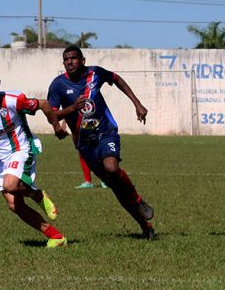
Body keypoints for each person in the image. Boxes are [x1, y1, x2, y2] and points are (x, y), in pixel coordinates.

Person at [47, 46, 156, 239]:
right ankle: (144, 225)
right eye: (66, 59)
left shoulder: (95, 73)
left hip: (106, 132)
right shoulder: (58, 85)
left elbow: (116, 79)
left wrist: (137, 103)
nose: (69, 62)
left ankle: (138, 200)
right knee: (115, 186)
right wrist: (72, 108)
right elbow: (52, 114)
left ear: (82, 60)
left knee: (112, 168)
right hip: (84, 143)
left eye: (73, 58)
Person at [0, 72, 70, 248]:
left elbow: (44, 104)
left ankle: (37, 194)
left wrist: (56, 127)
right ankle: (56, 237)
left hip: (21, 148)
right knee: (14, 206)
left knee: (11, 186)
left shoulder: (14, 100)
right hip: (0, 157)